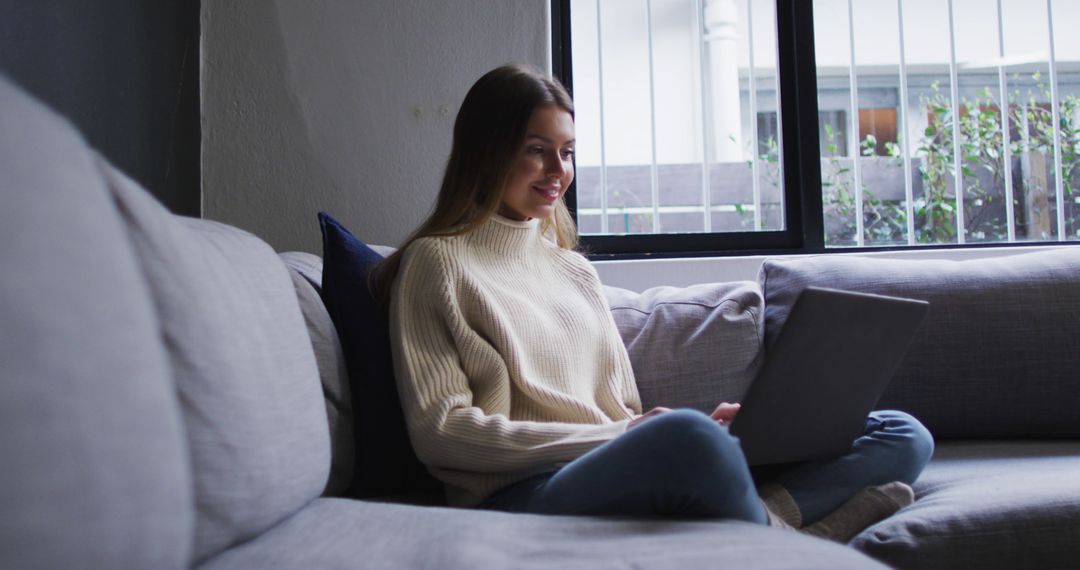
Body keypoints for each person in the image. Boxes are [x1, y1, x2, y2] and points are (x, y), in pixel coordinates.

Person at [372, 64, 934, 541]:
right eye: (536, 152)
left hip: (613, 466)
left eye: (567, 153)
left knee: (900, 432)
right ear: (487, 154)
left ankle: (772, 527)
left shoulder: (572, 269)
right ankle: (787, 543)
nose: (558, 172)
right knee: (684, 437)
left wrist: (677, 431)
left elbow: (621, 408)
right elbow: (442, 431)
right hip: (519, 497)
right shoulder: (436, 264)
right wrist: (633, 436)